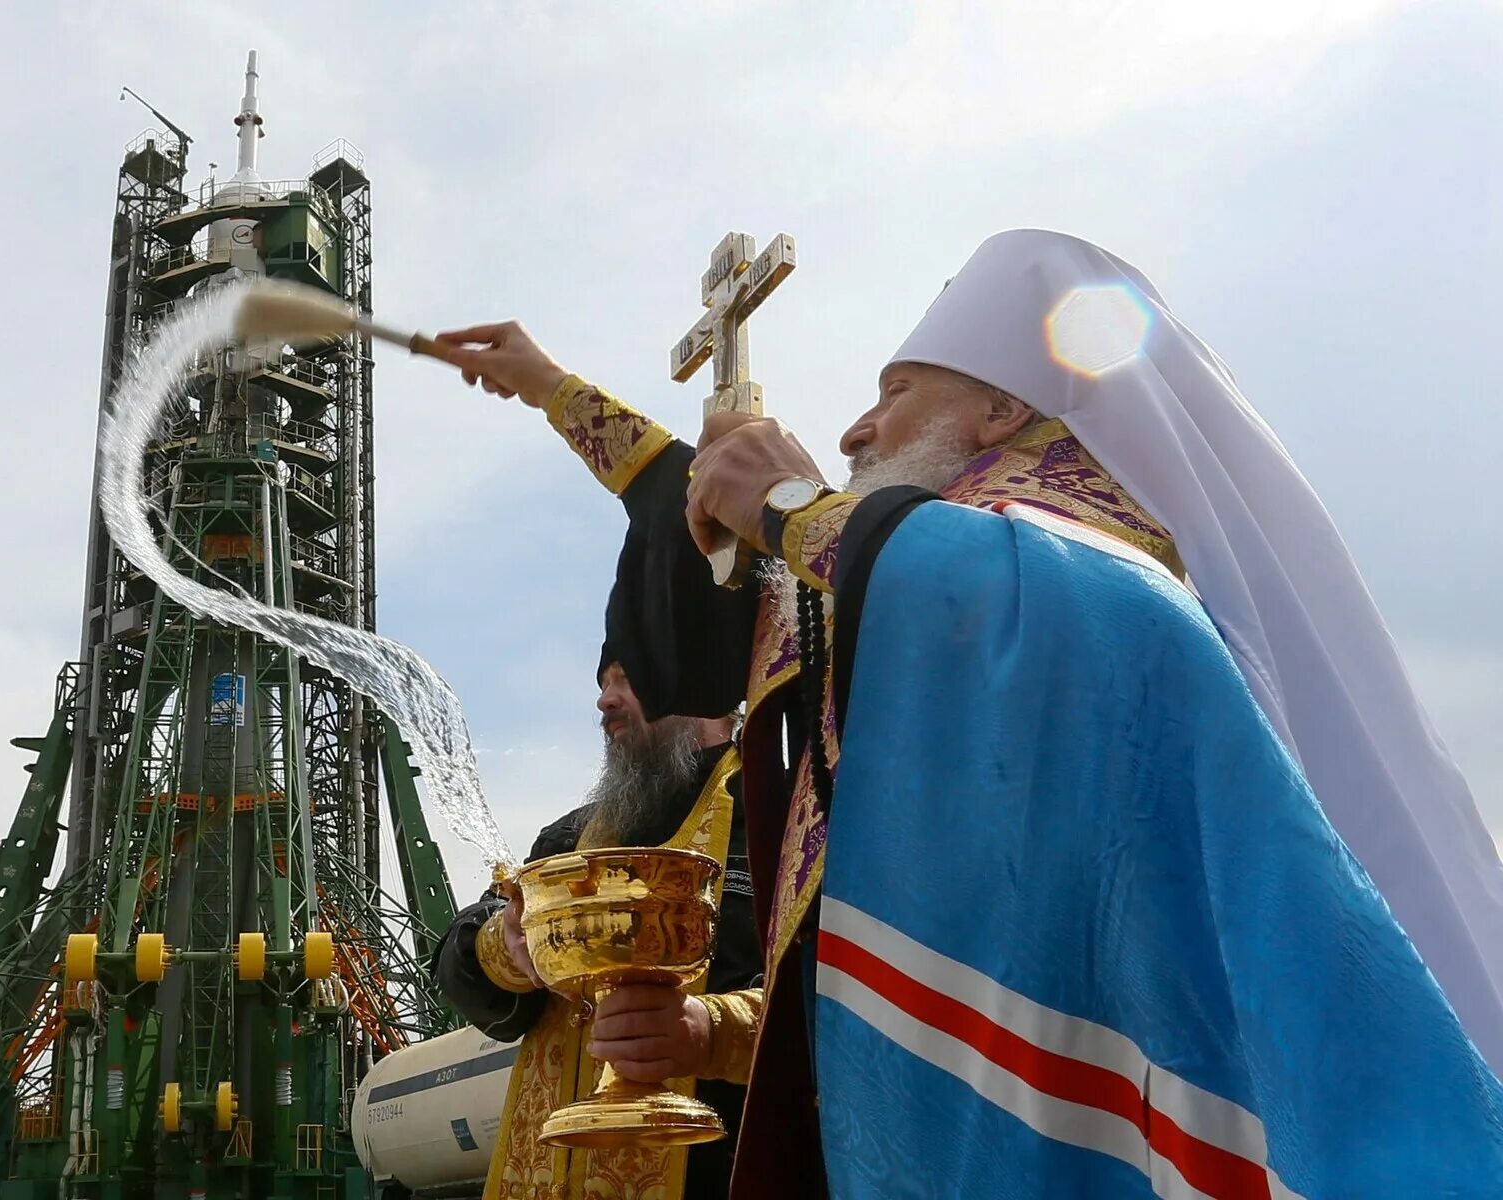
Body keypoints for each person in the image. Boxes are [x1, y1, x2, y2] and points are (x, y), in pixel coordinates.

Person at [436, 228, 1503, 1197]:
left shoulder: (1091, 560)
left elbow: (1010, 604)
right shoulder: (936, 624)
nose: (857, 426)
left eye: (895, 390)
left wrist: (797, 509)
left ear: (1004, 408)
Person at [433, 663, 763, 1200]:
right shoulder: (565, 839)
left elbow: (846, 1012)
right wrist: (504, 943)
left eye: (630, 677)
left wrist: (713, 1033)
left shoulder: (787, 824)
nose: (606, 701)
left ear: (707, 683)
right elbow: (459, 973)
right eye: (602, 684)